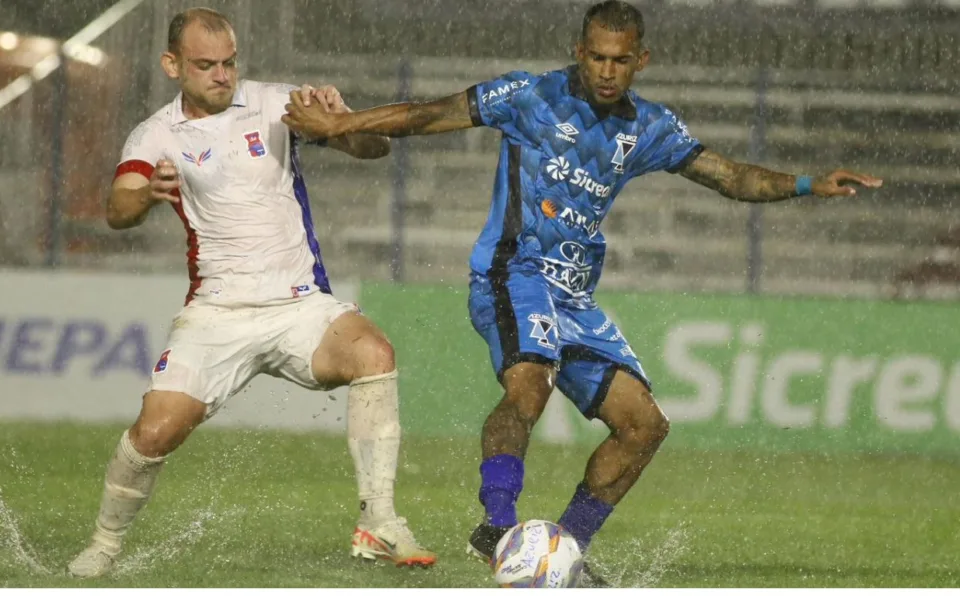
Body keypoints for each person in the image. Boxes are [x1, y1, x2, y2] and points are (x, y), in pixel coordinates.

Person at [282, 0, 882, 586]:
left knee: (645, 425)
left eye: (620, 60)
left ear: (641, 61)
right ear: (579, 51)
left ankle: (562, 553)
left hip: (575, 299)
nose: (606, 70)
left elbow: (731, 177)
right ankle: (497, 528)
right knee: (530, 384)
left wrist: (808, 183)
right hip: (513, 273)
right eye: (596, 57)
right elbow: (425, 115)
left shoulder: (649, 127)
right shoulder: (530, 97)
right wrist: (339, 124)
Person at [66, 7, 437, 578]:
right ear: (172, 65)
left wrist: (340, 128)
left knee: (374, 354)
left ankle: (379, 521)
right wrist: (146, 196)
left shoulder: (277, 103)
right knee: (153, 435)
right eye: (205, 64)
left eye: (229, 62)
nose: (222, 75)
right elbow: (118, 208)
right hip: (216, 312)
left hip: (299, 305)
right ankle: (104, 544)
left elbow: (376, 149)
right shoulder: (156, 133)